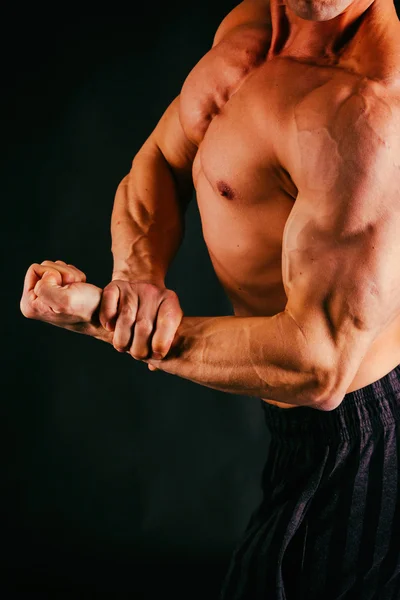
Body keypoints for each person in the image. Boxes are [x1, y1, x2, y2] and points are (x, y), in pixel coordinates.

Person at [20, 0, 400, 597]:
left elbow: (318, 365)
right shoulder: (250, 28)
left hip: (361, 447)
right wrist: (136, 281)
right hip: (297, 433)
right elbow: (162, 161)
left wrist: (104, 319)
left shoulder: (368, 107)